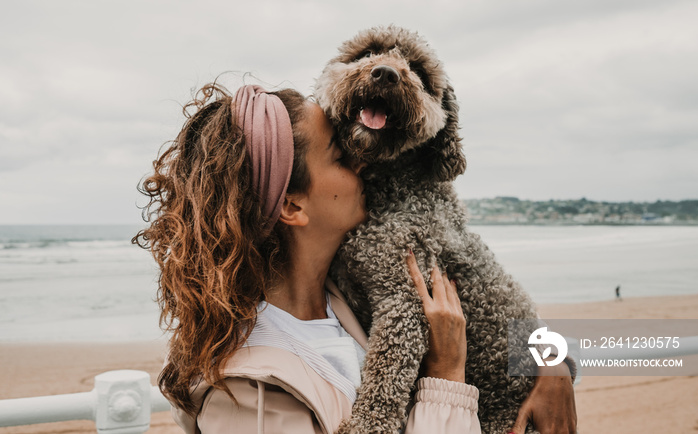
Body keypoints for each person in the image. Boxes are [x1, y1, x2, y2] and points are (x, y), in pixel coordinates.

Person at [134, 83, 576, 434]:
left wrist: (549, 366)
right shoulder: (247, 398)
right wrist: (446, 375)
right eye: (342, 155)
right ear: (292, 206)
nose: (364, 163)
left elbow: (488, 304)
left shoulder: (348, 292)